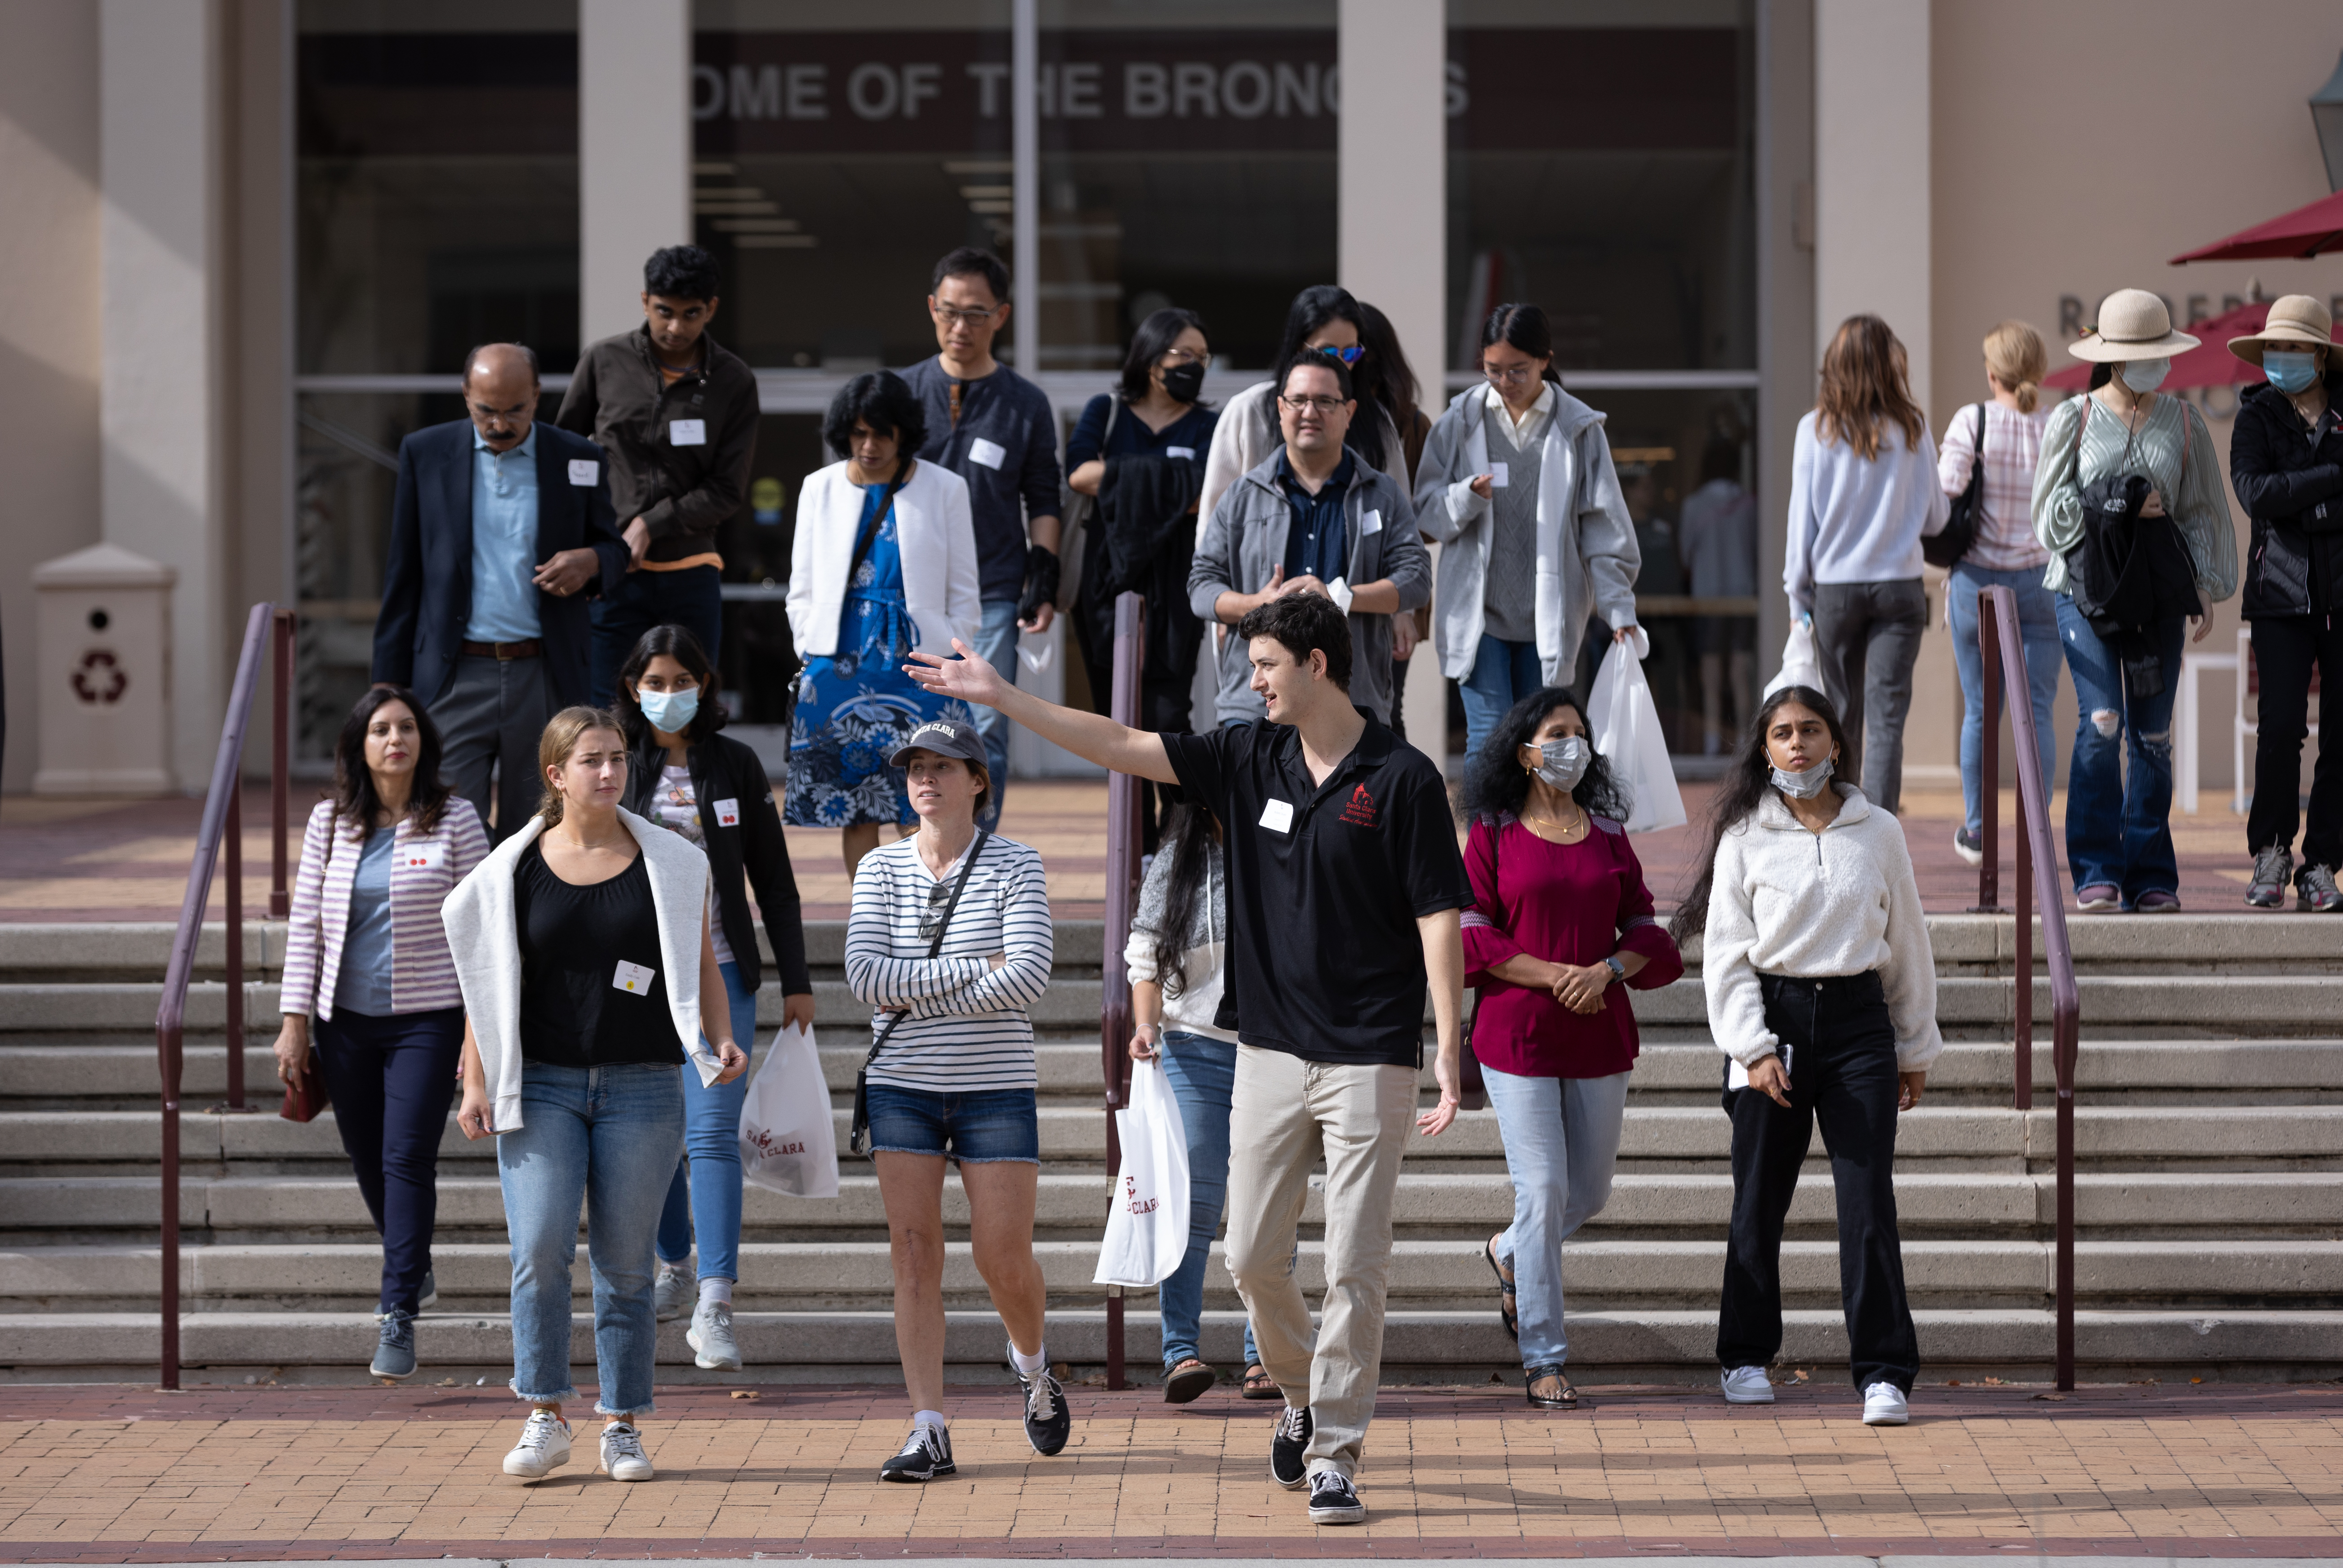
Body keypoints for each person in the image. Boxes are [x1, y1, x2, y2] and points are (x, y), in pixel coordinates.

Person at [908, 591, 1471, 1528]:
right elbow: (1119, 743)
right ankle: (1299, 1392)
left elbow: (1436, 918)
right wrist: (1003, 697)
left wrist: (1448, 1047)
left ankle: (1333, 1453)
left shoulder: (1401, 776)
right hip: (1267, 1050)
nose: (1252, 682)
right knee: (1251, 1255)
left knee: (1355, 1264)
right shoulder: (1247, 755)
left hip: (1371, 1052)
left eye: (1265, 667)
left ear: (1317, 664)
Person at [445, 707, 748, 1484]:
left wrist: (717, 1036)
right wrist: (474, 1076)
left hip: (644, 1080)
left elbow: (701, 962)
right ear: (556, 773)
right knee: (540, 1246)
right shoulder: (513, 869)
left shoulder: (672, 861)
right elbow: (488, 982)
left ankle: (622, 1422)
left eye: (617, 757)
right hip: (541, 1080)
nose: (610, 771)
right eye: (591, 760)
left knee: (625, 1264)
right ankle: (544, 1411)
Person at [1670, 684, 1939, 1427]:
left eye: (1810, 730)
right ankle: (1744, 1354)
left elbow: (1908, 941)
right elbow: (1723, 957)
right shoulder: (1743, 837)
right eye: (1782, 732)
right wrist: (1751, 1047)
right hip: (1773, 1018)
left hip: (1858, 1024)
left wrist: (1915, 1043)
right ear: (1764, 748)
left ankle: (1883, 1370)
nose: (1797, 744)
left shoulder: (1876, 830)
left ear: (1835, 743)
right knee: (1757, 1197)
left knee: (1866, 1201)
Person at [843, 720, 1058, 1484]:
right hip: (901, 1081)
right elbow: (865, 978)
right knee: (912, 1252)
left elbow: (1029, 976)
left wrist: (924, 983)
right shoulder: (878, 869)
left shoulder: (1015, 863)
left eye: (943, 765)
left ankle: (1032, 1365)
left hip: (994, 1084)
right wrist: (976, 967)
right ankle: (928, 1426)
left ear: (978, 779)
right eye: (915, 767)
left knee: (1002, 1256)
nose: (925, 778)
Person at [1455, 687, 1683, 1408]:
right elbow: (1473, 934)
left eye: (1580, 734)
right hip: (1516, 1032)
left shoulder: (1611, 834)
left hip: (1598, 1028)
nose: (1572, 746)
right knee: (1545, 1188)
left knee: (1588, 1192)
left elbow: (1646, 930)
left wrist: (1607, 970)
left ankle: (1510, 1251)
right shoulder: (1492, 831)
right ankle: (1545, 1357)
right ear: (1525, 752)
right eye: (1557, 734)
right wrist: (1557, 974)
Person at [615, 624, 818, 1368]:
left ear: (705, 684)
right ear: (633, 689)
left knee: (709, 1134)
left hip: (723, 973)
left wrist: (796, 979)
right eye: (656, 682)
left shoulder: (733, 764)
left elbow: (775, 880)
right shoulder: (617, 766)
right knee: (655, 1139)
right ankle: (674, 1257)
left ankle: (715, 1301)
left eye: (681, 680)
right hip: (634, 981)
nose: (669, 695)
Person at [273, 687, 490, 1381]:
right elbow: (306, 922)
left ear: (423, 740)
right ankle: (412, 1260)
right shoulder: (329, 822)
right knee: (368, 1158)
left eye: (405, 727)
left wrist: (477, 1033)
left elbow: (483, 928)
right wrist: (293, 1020)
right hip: (343, 1023)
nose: (394, 738)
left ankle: (397, 1310)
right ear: (359, 746)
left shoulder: (454, 818)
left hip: (427, 1019)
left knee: (405, 1159)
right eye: (379, 729)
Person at [374, 343, 630, 840]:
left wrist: (592, 561)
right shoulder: (425, 453)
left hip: (545, 673)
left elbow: (615, 550)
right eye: (486, 410)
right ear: (466, 395)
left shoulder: (578, 457)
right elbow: (402, 573)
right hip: (452, 675)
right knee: (450, 827)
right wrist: (387, 686)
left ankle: (526, 920)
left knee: (538, 827)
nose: (500, 423)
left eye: (516, 409)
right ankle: (468, 922)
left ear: (537, 396)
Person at [2033, 289, 2236, 912]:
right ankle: (2096, 865)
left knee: (2153, 735)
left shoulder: (2185, 422)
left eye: (2160, 352)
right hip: (2084, 591)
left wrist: (2206, 585)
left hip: (2158, 597)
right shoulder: (2074, 419)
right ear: (2116, 358)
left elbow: (2204, 511)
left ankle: (2151, 873)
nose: (2156, 364)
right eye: (2142, 353)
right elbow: (2048, 516)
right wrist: (2117, 502)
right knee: (2102, 724)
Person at [1414, 303, 1642, 759]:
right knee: (1488, 740)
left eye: (1517, 371)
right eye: (1492, 370)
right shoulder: (1458, 424)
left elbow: (1603, 525)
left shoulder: (1578, 429)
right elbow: (1425, 516)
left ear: (1545, 359)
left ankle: (1532, 833)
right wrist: (1465, 498)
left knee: (1544, 743)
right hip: (1479, 616)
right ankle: (1488, 835)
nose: (1504, 383)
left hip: (1549, 619)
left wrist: (1618, 608)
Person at [784, 371, 982, 877]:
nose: (868, 445)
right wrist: (810, 649)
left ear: (904, 433)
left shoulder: (946, 487)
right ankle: (872, 926)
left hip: (921, 667)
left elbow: (964, 587)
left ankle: (930, 920)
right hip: (838, 664)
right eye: (858, 433)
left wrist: (954, 650)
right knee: (856, 809)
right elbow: (800, 585)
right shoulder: (817, 487)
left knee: (925, 803)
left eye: (881, 433)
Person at [899, 248, 1065, 831]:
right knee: (908, 722)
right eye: (949, 311)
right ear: (931, 309)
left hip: (993, 588)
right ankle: (915, 855)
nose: (960, 326)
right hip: (908, 590)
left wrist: (1042, 576)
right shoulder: (902, 393)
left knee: (984, 723)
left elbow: (1045, 498)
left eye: (976, 313)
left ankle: (977, 851)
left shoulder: (1025, 404)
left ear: (1002, 315)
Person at [557, 245, 760, 706]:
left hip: (691, 575)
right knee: (606, 710)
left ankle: (680, 784)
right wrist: (589, 541)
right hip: (611, 574)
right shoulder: (603, 361)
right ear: (645, 301)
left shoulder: (734, 381)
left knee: (686, 712)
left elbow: (727, 490)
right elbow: (564, 458)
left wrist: (652, 523)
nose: (675, 327)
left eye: (690, 315)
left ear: (711, 309)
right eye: (664, 312)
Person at [1188, 353, 1431, 729]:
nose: (1310, 411)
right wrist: (1256, 604)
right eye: (1299, 401)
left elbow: (1416, 579)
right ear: (1281, 408)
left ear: (1349, 411)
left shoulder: (1382, 493)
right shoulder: (1243, 495)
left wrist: (1341, 597)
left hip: (1353, 706)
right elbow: (1201, 585)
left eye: (1325, 402)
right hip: (1254, 709)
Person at [1124, 798, 1274, 1402]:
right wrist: (1144, 1026)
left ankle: (1264, 1354)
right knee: (1192, 1205)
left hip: (1277, 1051)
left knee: (1268, 1208)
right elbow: (1144, 958)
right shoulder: (1178, 860)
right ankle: (1180, 1351)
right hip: (1197, 1050)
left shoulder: (1280, 840)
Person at [1785, 315, 1949, 817]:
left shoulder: (1814, 429)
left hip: (1834, 590)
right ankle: (1877, 836)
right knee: (1886, 720)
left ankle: (1835, 829)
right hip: (1898, 586)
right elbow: (1937, 518)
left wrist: (1797, 598)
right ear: (1888, 364)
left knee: (1836, 716)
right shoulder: (1913, 426)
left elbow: (1801, 525)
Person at [1066, 307, 1217, 848]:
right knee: (1118, 714)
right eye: (1185, 355)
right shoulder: (1105, 411)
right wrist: (1171, 482)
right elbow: (1078, 473)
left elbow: (1209, 493)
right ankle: (1133, 847)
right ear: (1152, 359)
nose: (1196, 366)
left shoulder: (1208, 423)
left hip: (1177, 583)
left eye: (1202, 357)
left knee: (1168, 715)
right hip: (1109, 586)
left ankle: (1174, 844)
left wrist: (1126, 475)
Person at [2224, 294, 2343, 912]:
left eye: (2294, 347)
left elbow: (2281, 497)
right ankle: (2270, 851)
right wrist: (2330, 482)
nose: (2281, 357)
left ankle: (2322, 862)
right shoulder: (2257, 415)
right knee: (2280, 732)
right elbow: (2256, 494)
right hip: (2279, 599)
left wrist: (2303, 504)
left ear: (2320, 356)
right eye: (2275, 346)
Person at [1938, 321, 2060, 868]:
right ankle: (2037, 832)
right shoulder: (2058, 423)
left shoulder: (1974, 419)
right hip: (2040, 581)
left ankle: (1978, 831)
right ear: (2038, 371)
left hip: (1976, 582)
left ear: (1992, 374)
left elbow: (1945, 492)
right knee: (2036, 712)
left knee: (1979, 713)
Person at [1198, 285, 1414, 529]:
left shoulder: (1375, 419)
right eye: (1328, 352)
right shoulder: (1247, 412)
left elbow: (1401, 524)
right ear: (1298, 347)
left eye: (1351, 353)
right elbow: (1213, 525)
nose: (1341, 364)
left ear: (1349, 412)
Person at [1679, 435, 1759, 755]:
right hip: (1745, 596)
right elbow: (1758, 550)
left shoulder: (1694, 504)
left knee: (1710, 674)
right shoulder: (1749, 504)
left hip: (1707, 596)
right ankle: (1744, 740)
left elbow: (1686, 555)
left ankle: (1712, 741)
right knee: (1741, 673)